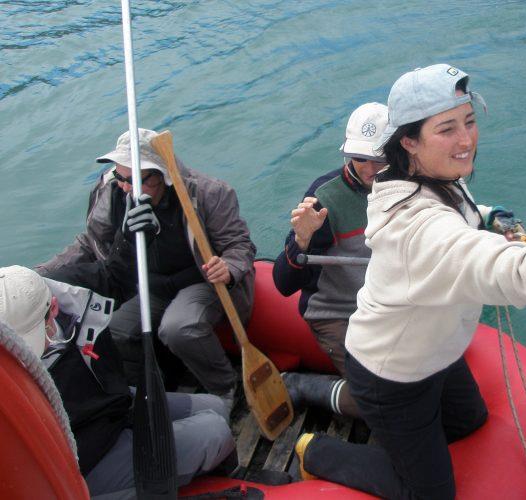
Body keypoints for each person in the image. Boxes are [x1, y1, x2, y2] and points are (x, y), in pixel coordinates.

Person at [291, 63, 526, 499]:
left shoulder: (428, 175)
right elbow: (494, 263)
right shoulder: (411, 226)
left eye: (469, 121)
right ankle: (316, 450)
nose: (466, 139)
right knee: (429, 494)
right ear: (408, 140)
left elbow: (461, 215)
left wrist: (488, 216)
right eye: (446, 128)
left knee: (470, 423)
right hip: (391, 373)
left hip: (437, 352)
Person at [36, 128, 256, 405]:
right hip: (148, 284)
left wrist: (229, 266)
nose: (125, 187)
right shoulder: (112, 191)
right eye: (120, 177)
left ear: (160, 175)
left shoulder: (210, 193)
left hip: (200, 281)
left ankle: (225, 387)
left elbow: (240, 245)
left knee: (178, 327)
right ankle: (161, 384)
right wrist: (40, 275)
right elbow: (90, 242)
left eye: (135, 180)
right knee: (114, 329)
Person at [0, 265, 238, 497]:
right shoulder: (9, 368)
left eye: (31, 338)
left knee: (215, 406)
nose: (24, 354)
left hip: (114, 409)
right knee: (215, 431)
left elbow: (115, 271)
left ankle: (192, 472)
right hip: (88, 459)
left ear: (53, 308)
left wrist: (127, 234)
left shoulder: (73, 296)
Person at [273, 102, 389, 418]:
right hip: (340, 312)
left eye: (380, 159)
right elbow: (283, 284)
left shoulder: (406, 184)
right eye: (359, 158)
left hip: (387, 303)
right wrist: (302, 240)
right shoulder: (324, 200)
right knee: (381, 402)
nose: (369, 168)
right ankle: (302, 386)